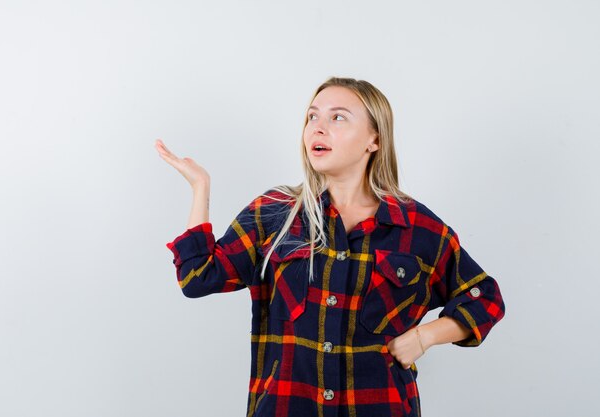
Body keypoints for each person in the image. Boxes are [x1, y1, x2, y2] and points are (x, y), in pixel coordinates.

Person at [155, 76, 506, 417]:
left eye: (337, 117)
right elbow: (198, 277)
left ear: (374, 140)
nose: (317, 128)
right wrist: (200, 186)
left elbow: (484, 298)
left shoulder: (416, 227)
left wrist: (425, 336)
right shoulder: (276, 213)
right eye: (312, 116)